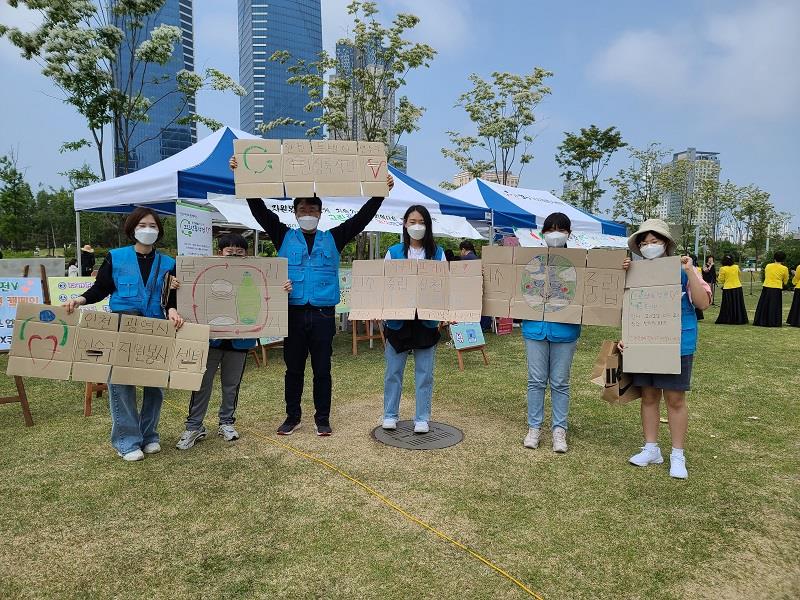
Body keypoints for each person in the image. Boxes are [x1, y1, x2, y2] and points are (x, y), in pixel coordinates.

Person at [230, 155, 394, 436]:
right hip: (292, 312)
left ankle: (322, 418)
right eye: (302, 208)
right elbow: (258, 209)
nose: (307, 212)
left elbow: (363, 218)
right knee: (293, 369)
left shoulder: (335, 236)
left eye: (312, 209)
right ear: (295, 213)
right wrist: (243, 175)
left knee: (322, 369)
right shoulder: (282, 235)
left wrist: (380, 192)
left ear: (320, 213)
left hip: (322, 314)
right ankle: (292, 417)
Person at [65, 208, 185, 462]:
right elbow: (101, 287)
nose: (148, 229)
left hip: (156, 325)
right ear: (132, 229)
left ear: (159, 231)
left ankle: (149, 435)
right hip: (123, 324)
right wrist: (80, 299)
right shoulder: (116, 257)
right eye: (142, 225)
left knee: (155, 385)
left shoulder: (169, 263)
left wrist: (173, 310)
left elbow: (171, 298)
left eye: (153, 225)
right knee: (121, 384)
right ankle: (126, 441)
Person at [176, 234, 292, 449]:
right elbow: (185, 294)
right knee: (202, 384)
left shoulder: (252, 276)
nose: (235, 255)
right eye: (230, 251)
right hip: (210, 340)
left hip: (240, 341)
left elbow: (270, 290)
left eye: (240, 252)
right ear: (220, 253)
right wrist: (175, 283)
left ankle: (226, 422)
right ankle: (194, 426)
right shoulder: (207, 274)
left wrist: (282, 288)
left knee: (231, 385)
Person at [521, 212, 622, 453]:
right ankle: (534, 427)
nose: (555, 234)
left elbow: (603, 277)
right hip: (535, 327)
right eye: (550, 229)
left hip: (565, 330)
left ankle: (559, 430)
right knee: (535, 381)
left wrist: (622, 267)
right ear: (543, 232)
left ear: (569, 234)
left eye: (560, 229)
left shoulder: (582, 262)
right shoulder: (531, 259)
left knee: (560, 382)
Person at [621, 219, 711, 480]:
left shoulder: (684, 270)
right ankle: (651, 448)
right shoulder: (634, 271)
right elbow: (627, 308)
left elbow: (703, 303)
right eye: (644, 242)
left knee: (675, 399)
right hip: (643, 341)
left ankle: (677, 454)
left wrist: (690, 271)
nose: (649, 246)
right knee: (649, 396)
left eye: (655, 241)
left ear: (667, 244)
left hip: (677, 344)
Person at [381, 205, 445, 434]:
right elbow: (384, 284)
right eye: (412, 221)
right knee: (393, 371)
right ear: (405, 224)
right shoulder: (394, 252)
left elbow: (444, 286)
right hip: (398, 320)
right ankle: (390, 414)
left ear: (427, 226)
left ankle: (422, 417)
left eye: (421, 222)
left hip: (426, 321)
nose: (416, 226)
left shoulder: (438, 253)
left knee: (425, 373)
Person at [753, 251, 789, 327]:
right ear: (783, 259)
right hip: (776, 287)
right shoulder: (784, 268)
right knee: (774, 305)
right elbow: (785, 279)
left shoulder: (768, 266)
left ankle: (761, 320)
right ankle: (773, 321)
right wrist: (784, 284)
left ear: (774, 258)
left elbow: (767, 274)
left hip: (767, 286)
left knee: (764, 304)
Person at [716, 255, 748, 324]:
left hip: (728, 288)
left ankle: (728, 319)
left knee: (728, 305)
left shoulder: (723, 268)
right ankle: (739, 318)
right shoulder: (736, 267)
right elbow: (739, 275)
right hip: (738, 287)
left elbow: (721, 280)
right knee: (738, 304)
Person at [690, 255, 704, 320]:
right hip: (697, 286)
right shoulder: (698, 268)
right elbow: (701, 278)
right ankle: (698, 315)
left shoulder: (689, 268)